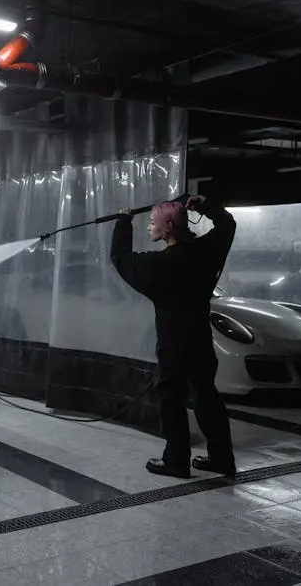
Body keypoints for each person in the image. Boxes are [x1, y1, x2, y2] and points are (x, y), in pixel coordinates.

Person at [110, 195, 237, 478]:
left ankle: (176, 460)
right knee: (206, 395)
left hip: (173, 340)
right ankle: (222, 459)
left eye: (152, 223)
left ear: (168, 227)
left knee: (171, 397)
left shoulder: (158, 266)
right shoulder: (205, 251)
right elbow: (227, 224)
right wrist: (206, 204)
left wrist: (123, 221)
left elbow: (119, 258)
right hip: (201, 339)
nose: (149, 227)